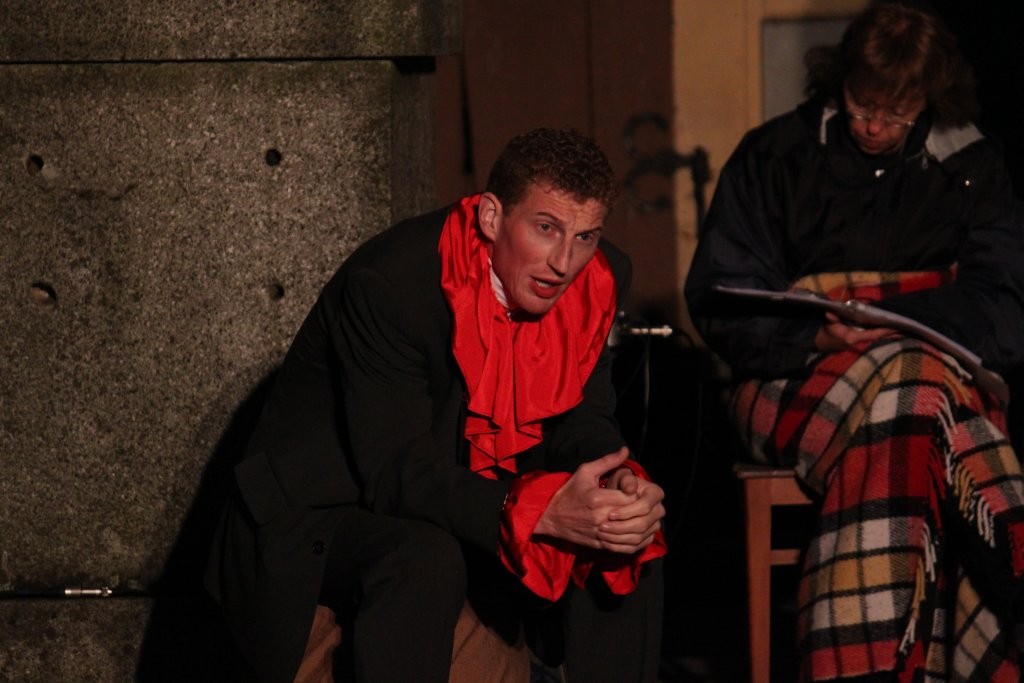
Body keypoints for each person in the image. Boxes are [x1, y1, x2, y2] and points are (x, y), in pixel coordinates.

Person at [205, 128, 667, 683]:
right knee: (425, 557)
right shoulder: (393, 283)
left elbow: (583, 419)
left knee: (626, 538)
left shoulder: (598, 278)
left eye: (585, 236)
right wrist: (532, 510)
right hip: (321, 513)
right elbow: (395, 470)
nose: (565, 262)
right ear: (492, 217)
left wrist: (618, 483)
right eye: (545, 229)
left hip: (459, 500)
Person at [685, 2, 1024, 681]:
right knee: (920, 396)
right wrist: (816, 331)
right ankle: (999, 582)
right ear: (840, 82)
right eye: (862, 105)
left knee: (912, 389)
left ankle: (866, 663)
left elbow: (1003, 309)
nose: (874, 126)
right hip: (790, 375)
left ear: (928, 101)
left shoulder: (970, 165)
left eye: (896, 114)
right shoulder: (775, 154)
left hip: (927, 378)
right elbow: (721, 299)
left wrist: (891, 323)